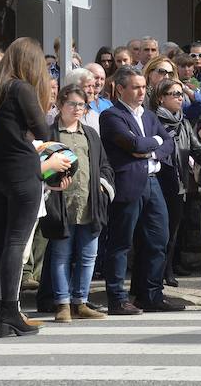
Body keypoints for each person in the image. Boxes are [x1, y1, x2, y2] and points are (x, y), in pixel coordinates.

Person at [100, 66, 182, 315]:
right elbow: (132, 143)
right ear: (120, 89)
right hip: (128, 183)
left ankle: (151, 294)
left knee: (158, 239)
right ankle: (117, 297)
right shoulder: (111, 115)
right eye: (135, 87)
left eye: (143, 87)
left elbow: (168, 142)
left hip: (153, 182)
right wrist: (149, 144)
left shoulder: (148, 115)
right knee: (121, 242)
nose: (140, 92)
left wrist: (150, 148)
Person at [0, 38, 53, 337]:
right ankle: (10, 313)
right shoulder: (21, 88)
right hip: (21, 171)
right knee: (16, 241)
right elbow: (43, 130)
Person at [41, 84, 114, 323]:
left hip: (89, 204)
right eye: (71, 104)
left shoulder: (90, 134)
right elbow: (39, 167)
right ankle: (62, 303)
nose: (76, 109)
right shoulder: (50, 133)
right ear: (60, 105)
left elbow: (104, 165)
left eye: (81, 105)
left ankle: (80, 301)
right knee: (61, 255)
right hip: (61, 204)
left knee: (88, 255)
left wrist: (102, 189)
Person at [152, 79, 201, 288]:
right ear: (161, 98)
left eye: (180, 93)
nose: (179, 97)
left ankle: (168, 270)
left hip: (178, 183)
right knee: (157, 231)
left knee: (173, 232)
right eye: (174, 94)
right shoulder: (153, 121)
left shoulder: (183, 123)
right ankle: (153, 273)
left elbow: (197, 150)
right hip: (158, 183)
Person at [63, 68, 101, 133]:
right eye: (87, 86)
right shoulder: (61, 114)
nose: (91, 91)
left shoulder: (94, 115)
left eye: (93, 86)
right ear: (74, 88)